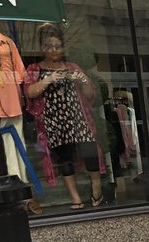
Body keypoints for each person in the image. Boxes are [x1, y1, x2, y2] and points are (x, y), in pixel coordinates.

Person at [23, 23, 105, 210]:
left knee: (90, 151)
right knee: (65, 159)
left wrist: (80, 78)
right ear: (43, 48)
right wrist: (49, 79)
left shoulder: (72, 67)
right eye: (50, 46)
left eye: (58, 46)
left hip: (78, 118)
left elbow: (91, 94)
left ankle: (97, 187)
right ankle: (75, 197)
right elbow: (30, 92)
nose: (54, 50)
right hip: (54, 121)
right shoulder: (35, 69)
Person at [0, 22, 41, 214]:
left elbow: (20, 74)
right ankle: (11, 193)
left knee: (18, 147)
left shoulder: (7, 43)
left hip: (12, 102)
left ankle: (23, 190)